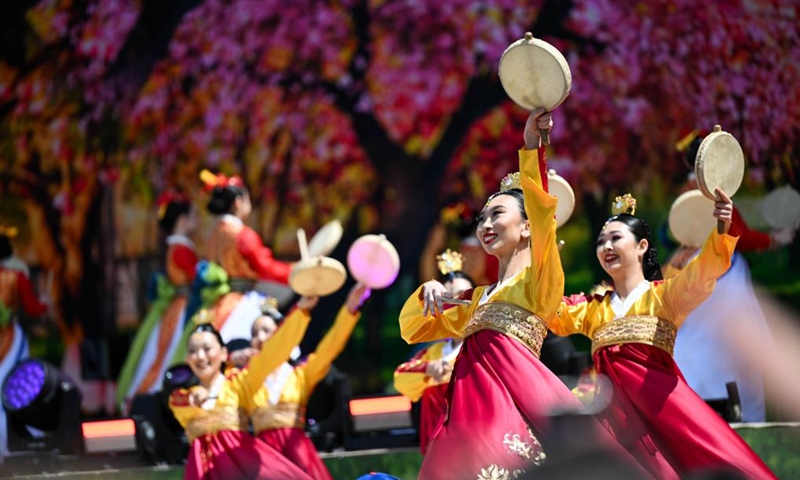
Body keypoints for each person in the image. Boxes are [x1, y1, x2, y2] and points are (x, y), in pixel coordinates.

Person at [399, 110, 597, 479]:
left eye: (498, 215)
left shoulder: (540, 280)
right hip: (461, 422)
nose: (486, 225)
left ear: (526, 227)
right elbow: (413, 329)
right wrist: (427, 291)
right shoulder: (474, 300)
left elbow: (542, 212)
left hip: (509, 411)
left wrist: (531, 148)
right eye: (482, 218)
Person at [551, 192, 777, 479]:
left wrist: (722, 229)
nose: (606, 246)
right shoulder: (591, 309)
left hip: (666, 412)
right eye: (600, 242)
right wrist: (545, 251)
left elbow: (703, 271)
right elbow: (550, 312)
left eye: (615, 238)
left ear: (641, 246)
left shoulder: (665, 296)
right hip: (617, 423)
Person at [667, 130, 796, 422]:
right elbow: (738, 235)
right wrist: (774, 240)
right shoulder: (712, 190)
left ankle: (700, 405)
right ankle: (736, 413)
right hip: (721, 272)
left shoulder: (687, 191)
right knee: (729, 344)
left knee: (699, 341)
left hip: (699, 270)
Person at [168, 309, 314, 480]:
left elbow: (272, 355)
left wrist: (301, 310)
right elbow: (180, 404)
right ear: (187, 358)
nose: (200, 356)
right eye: (193, 351)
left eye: (207, 349)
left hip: (240, 471)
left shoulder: (238, 383)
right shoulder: (180, 397)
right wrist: (193, 397)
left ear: (223, 354)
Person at [244, 282, 369, 480]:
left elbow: (329, 348)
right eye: (254, 333)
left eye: (267, 331)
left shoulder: (299, 374)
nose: (259, 338)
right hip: (263, 460)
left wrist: (349, 308)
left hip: (298, 455)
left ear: (283, 335)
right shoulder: (245, 377)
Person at [117, 192, 198, 414]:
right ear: (183, 220)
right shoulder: (181, 249)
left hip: (176, 307)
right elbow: (196, 278)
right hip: (182, 309)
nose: (197, 221)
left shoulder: (174, 247)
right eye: (193, 216)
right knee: (168, 355)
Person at [193, 170, 293, 345]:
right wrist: (296, 271)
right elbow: (266, 267)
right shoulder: (242, 235)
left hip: (219, 304)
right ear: (238, 202)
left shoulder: (213, 235)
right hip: (244, 303)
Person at [394, 249, 472, 454]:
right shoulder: (435, 351)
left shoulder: (483, 343)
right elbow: (401, 378)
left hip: (474, 440)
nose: (457, 303)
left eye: (464, 295)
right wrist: (430, 369)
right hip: (438, 449)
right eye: (448, 298)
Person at [0, 224, 49, 459]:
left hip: (10, 340)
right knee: (17, 388)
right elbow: (33, 308)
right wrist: (46, 303)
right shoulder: (15, 277)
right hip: (10, 340)